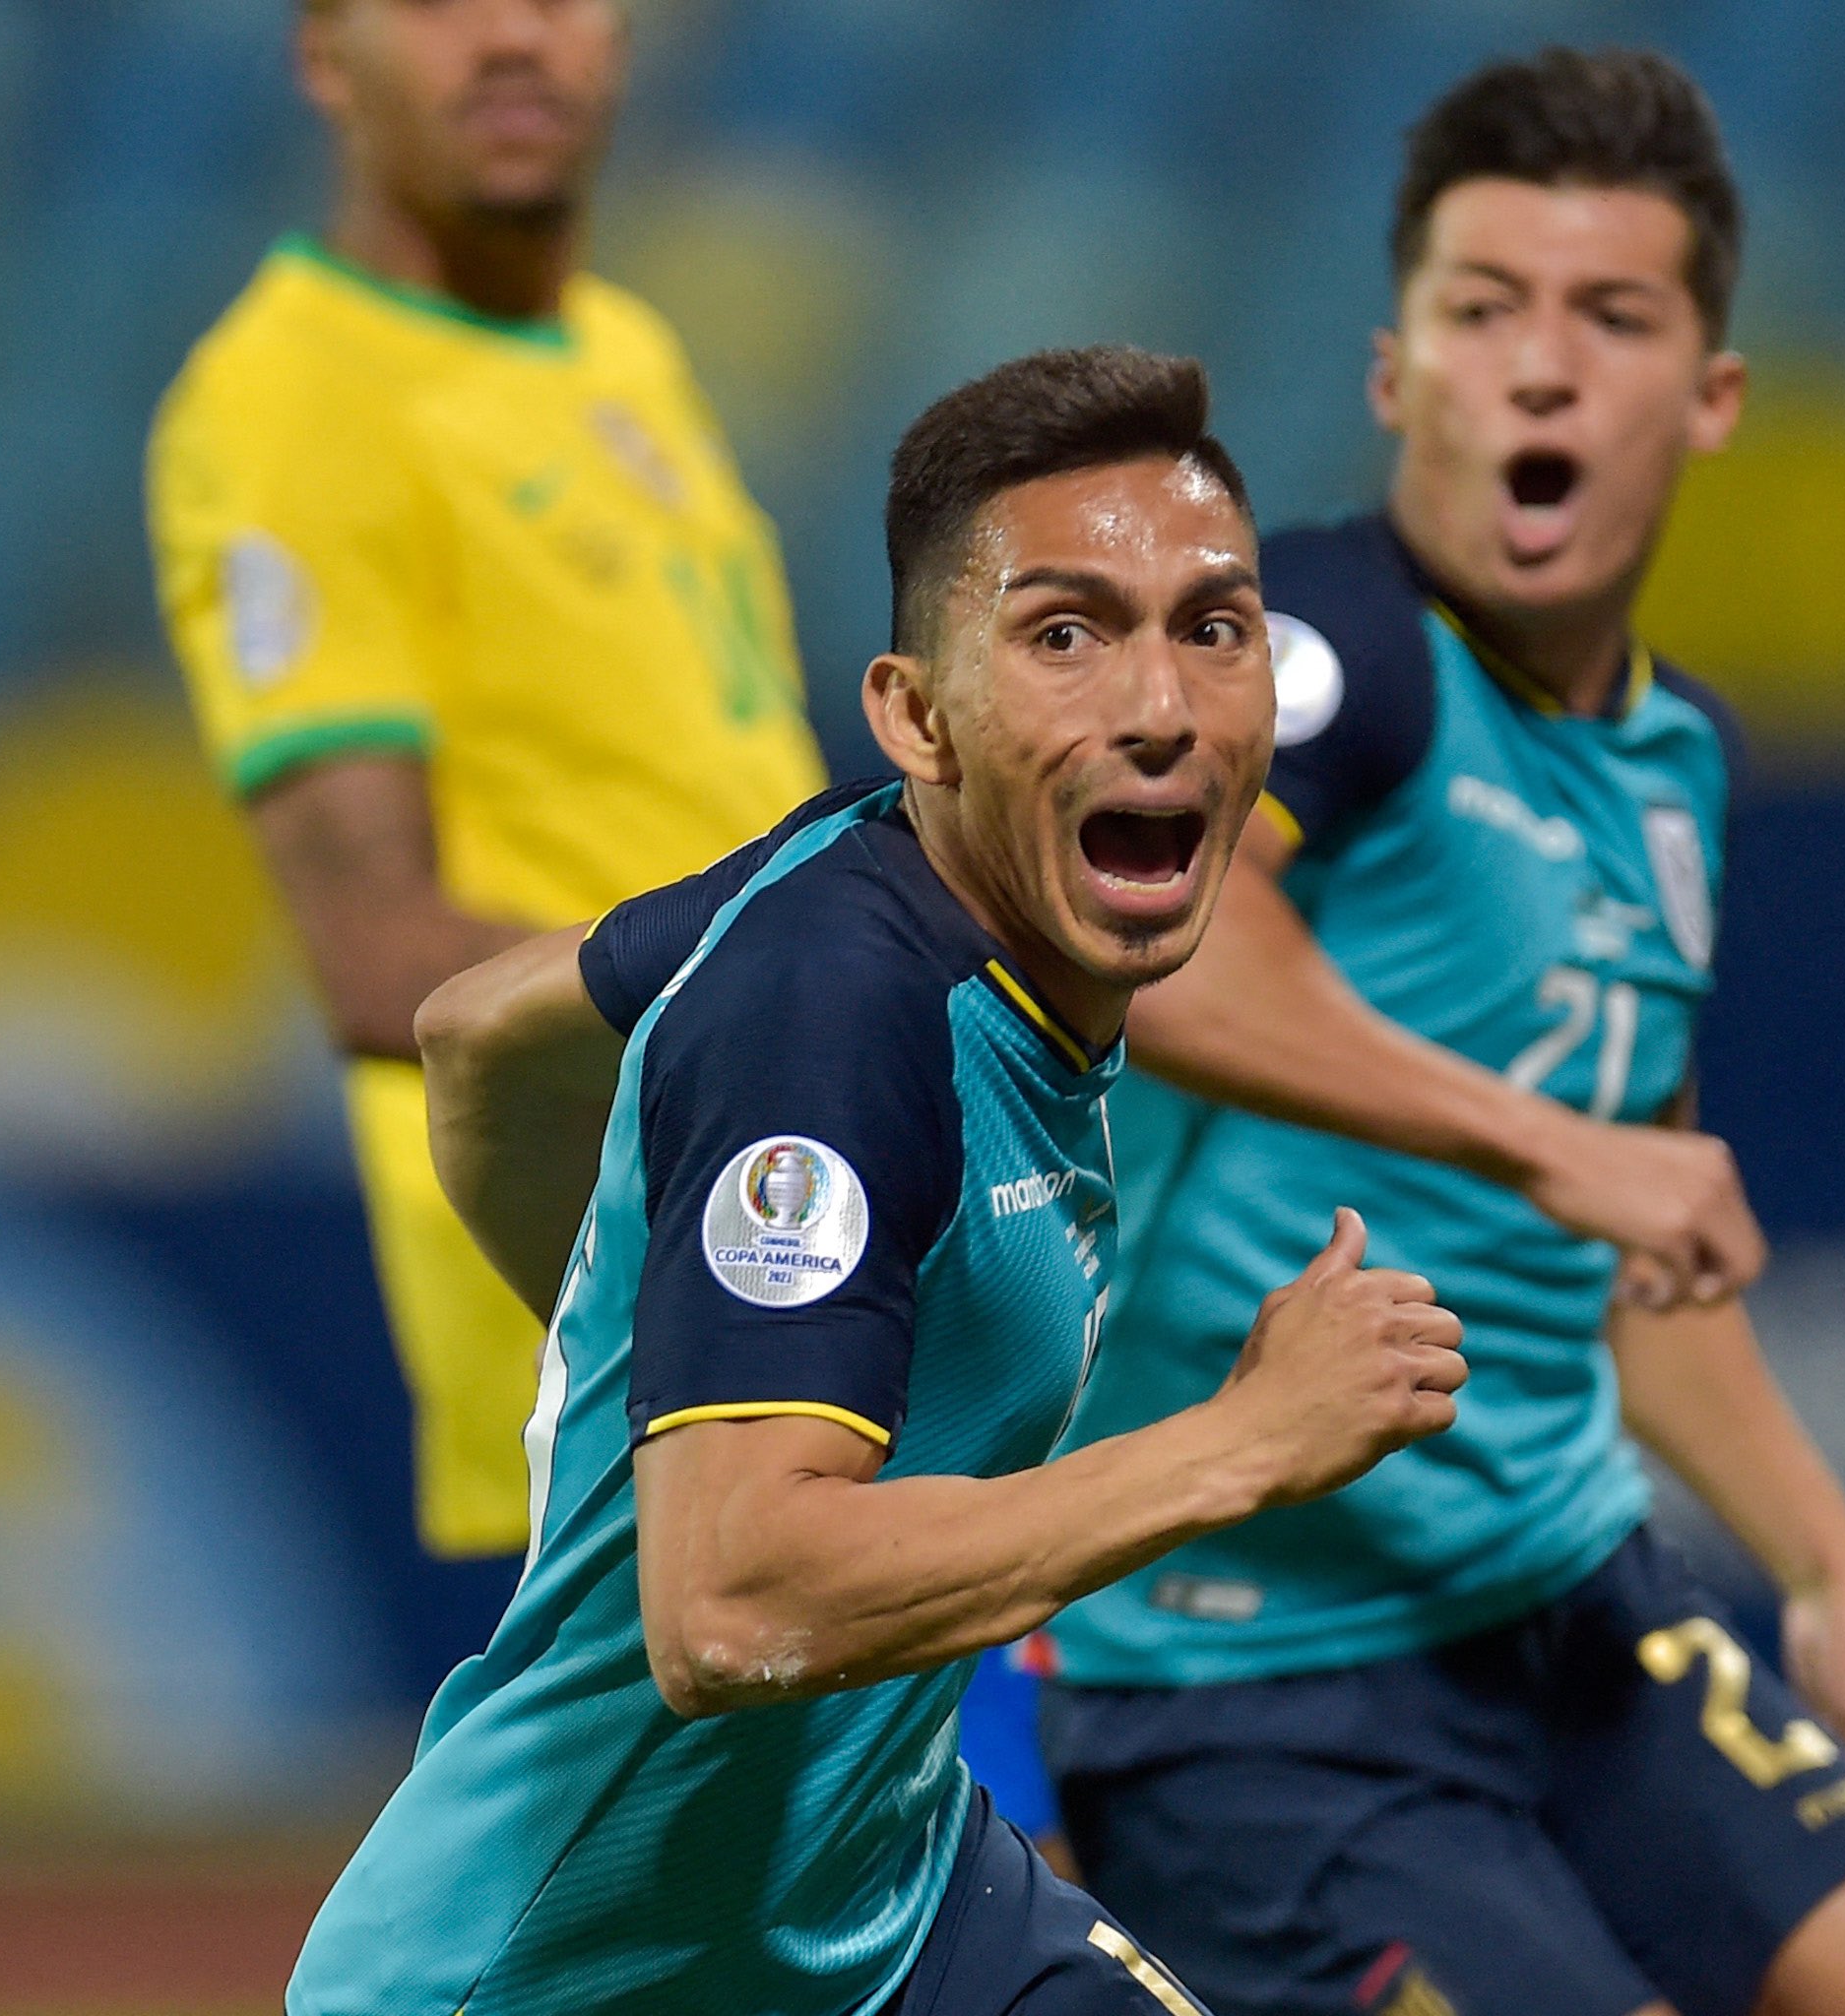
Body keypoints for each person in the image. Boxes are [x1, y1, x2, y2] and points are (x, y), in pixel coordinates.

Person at [282, 346, 1468, 2016]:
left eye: (1213, 627)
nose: (1159, 708)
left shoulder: (887, 870)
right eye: (1065, 634)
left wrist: (662, 1344)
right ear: (917, 713)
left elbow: (476, 1031)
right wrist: (1246, 1439)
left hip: (890, 1903)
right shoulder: (836, 1007)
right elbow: (732, 1606)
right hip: (578, 1971)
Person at [1034, 50, 1845, 2016]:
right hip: (1249, 1692)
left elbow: (1637, 1258)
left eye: (1609, 315)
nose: (1539, 368)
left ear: (1708, 396)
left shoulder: (1677, 763)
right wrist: (1548, 1141)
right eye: (1484, 311)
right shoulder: (1314, 648)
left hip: (1570, 1618)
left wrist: (1829, 1568)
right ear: (1397, 375)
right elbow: (1164, 936)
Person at [147, 0, 825, 1592]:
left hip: (788, 1209)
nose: (516, 39)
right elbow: (382, 954)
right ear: (325, 56)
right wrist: (813, 1008)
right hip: (601, 1286)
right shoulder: (294, 406)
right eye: (447, 1)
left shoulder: (621, 348)